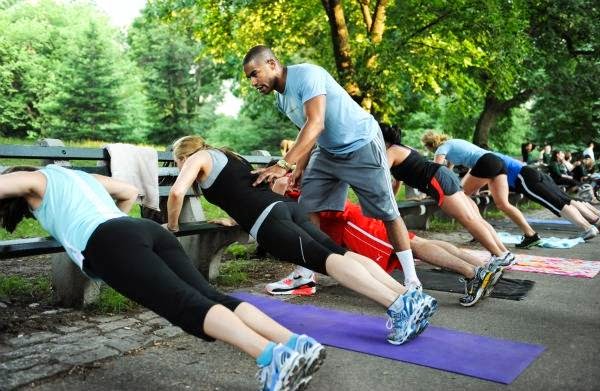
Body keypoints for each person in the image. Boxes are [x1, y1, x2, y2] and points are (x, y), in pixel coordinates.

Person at [0, 164, 323, 391]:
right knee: (210, 296)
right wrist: (119, 226)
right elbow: (129, 191)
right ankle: (294, 343)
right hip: (144, 230)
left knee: (184, 306)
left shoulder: (35, 180)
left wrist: (112, 238)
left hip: (110, 242)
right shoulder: (78, 177)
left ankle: (271, 357)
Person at [167, 135, 438, 345]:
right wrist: (237, 220)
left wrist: (173, 226)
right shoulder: (228, 156)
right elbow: (246, 193)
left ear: (184, 154)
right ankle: (407, 296)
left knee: (327, 262)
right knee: (338, 254)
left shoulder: (197, 157)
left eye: (177, 161)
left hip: (271, 223)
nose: (179, 166)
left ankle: (398, 306)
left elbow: (177, 193)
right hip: (285, 209)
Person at [242, 45, 422, 291]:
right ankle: (305, 275)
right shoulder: (281, 100)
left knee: (388, 213)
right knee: (307, 207)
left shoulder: (307, 75)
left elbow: (316, 124)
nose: (253, 81)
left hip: (361, 143)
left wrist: (283, 165)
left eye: (255, 73)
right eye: (249, 77)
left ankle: (412, 281)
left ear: (272, 63)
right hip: (327, 153)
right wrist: (299, 168)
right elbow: (306, 132)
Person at [264, 175, 500, 307]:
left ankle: (473, 273)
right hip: (351, 216)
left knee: (413, 247)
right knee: (414, 242)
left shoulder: (282, 182)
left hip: (349, 222)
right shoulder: (293, 175)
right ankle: (479, 268)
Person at [381, 124, 514, 260]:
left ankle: (500, 256)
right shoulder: (400, 148)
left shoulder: (391, 151)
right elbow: (395, 182)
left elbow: (381, 175)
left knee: (468, 219)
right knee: (474, 218)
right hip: (441, 176)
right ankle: (504, 253)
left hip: (436, 179)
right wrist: (390, 201)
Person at [421, 131, 542, 249]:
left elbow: (436, 171)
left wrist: (428, 191)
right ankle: (531, 235)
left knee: (461, 196)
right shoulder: (452, 144)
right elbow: (447, 171)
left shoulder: (442, 148)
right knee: (503, 204)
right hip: (498, 161)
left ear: (429, 145)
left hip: (486, 163)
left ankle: (480, 232)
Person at [491, 153, 600, 239]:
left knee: (557, 204)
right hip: (532, 172)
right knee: (566, 200)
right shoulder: (491, 155)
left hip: (523, 176)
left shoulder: (484, 159)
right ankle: (596, 221)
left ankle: (587, 228)